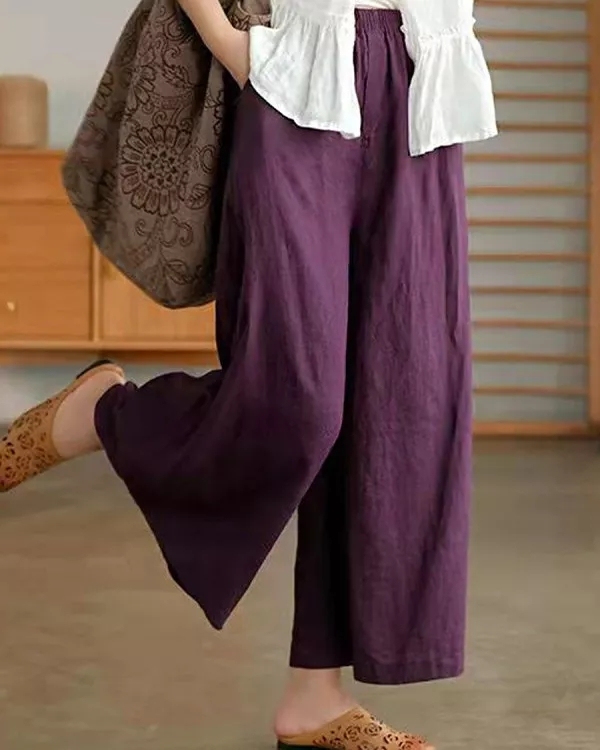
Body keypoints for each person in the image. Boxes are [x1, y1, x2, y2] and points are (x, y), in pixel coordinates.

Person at [0, 1, 497, 748]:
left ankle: (313, 700)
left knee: (403, 401)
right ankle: (106, 414)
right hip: (298, 73)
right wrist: (231, 47)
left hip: (425, 79)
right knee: (296, 398)